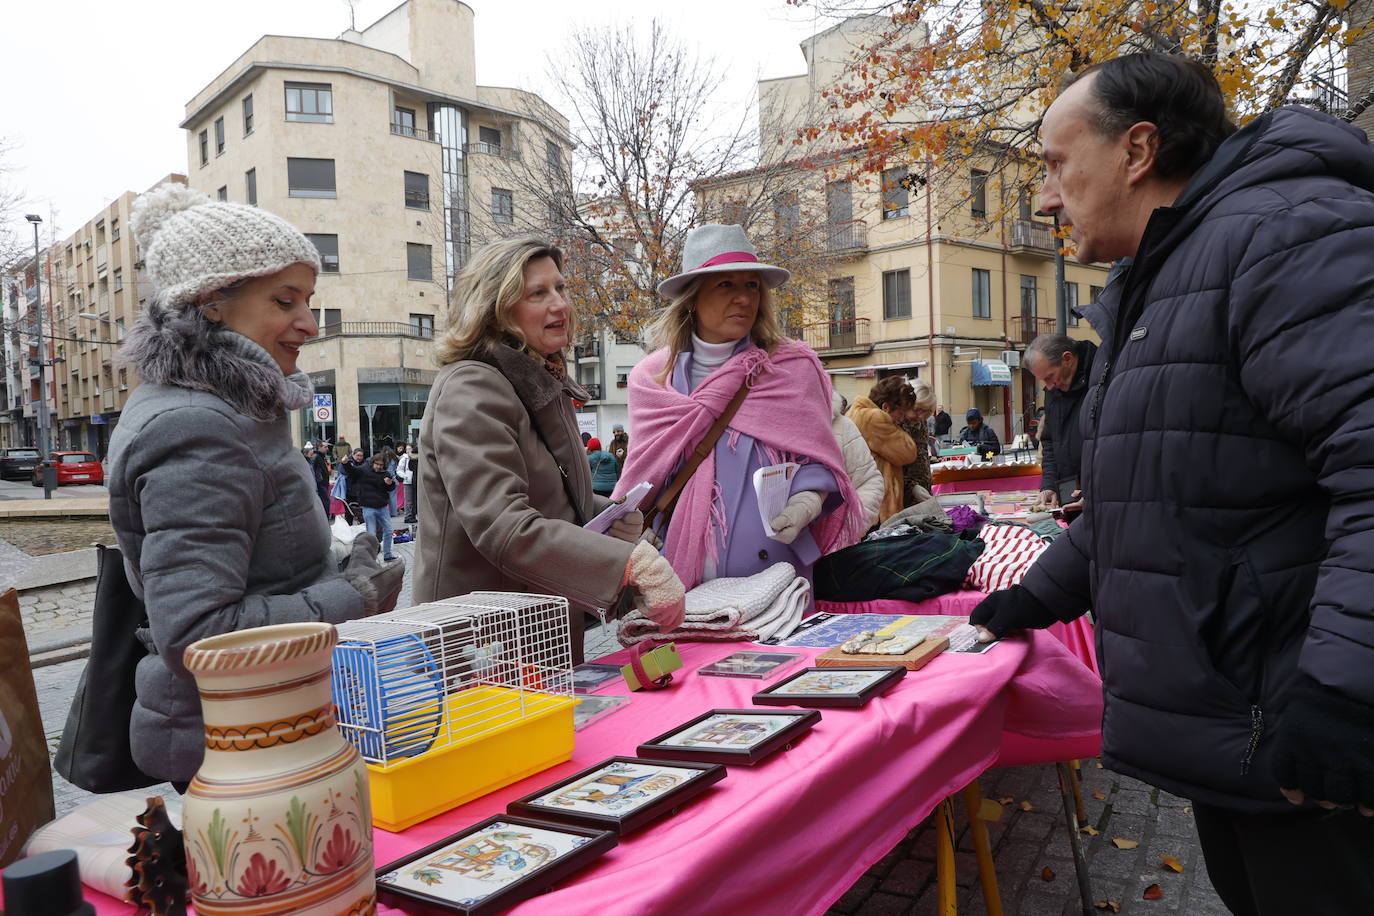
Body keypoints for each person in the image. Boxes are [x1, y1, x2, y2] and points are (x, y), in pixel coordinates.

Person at [970, 52, 1374, 913]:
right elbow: (1155, 495)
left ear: (1138, 149)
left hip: (1305, 733)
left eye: (1054, 163)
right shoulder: (1156, 283)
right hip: (1237, 728)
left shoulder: (1286, 235)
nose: (1045, 196)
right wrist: (1038, 596)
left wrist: (1347, 689)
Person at [107, 183, 403, 786]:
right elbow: (197, 636)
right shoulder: (197, 425)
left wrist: (339, 561)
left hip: (269, 727)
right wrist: (358, 596)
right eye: (286, 301)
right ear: (213, 302)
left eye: (308, 300)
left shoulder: (228, 410)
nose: (309, 324)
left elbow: (262, 562)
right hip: (241, 748)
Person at [413, 237, 684, 663]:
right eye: (538, 293)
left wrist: (606, 513)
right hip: (478, 648)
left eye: (561, 288)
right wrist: (626, 563)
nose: (560, 305)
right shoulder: (472, 387)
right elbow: (502, 524)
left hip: (535, 632)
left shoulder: (538, 378)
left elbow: (547, 495)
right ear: (495, 309)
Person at [617, 224, 867, 592]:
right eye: (726, 285)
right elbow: (644, 478)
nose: (744, 299)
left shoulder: (792, 368)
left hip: (776, 581)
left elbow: (818, 460)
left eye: (751, 285)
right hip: (680, 582)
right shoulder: (654, 380)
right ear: (692, 297)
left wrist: (806, 501)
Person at [1025, 333, 1098, 508]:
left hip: (1099, 496)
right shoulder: (1054, 392)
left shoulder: (1103, 378)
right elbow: (1049, 441)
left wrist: (1096, 491)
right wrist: (1049, 485)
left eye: (1050, 377)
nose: (1049, 386)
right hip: (1070, 493)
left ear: (1068, 359)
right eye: (1044, 380)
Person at [846, 376, 919, 524]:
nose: (902, 418)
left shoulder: (858, 413)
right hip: (877, 508)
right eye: (901, 412)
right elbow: (908, 452)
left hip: (864, 502)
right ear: (886, 406)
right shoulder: (873, 418)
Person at [830, 391, 884, 537]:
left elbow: (869, 481)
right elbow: (906, 452)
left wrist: (847, 532)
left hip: (836, 545)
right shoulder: (877, 418)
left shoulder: (840, 424)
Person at [345, 453, 397, 561]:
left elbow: (391, 488)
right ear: (372, 463)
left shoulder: (385, 473)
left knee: (388, 531)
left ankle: (387, 554)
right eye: (377, 464)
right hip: (368, 507)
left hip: (382, 506)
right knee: (372, 534)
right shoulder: (364, 470)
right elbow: (352, 471)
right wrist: (345, 463)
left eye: (381, 465)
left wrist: (389, 484)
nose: (378, 467)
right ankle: (371, 558)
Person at [896, 378, 938, 504]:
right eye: (917, 410)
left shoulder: (922, 423)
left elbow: (921, 455)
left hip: (922, 492)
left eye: (926, 412)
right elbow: (892, 466)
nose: (920, 416)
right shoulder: (894, 424)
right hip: (901, 496)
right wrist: (912, 487)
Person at [397, 442, 418, 525]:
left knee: (416, 499)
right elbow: (399, 470)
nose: (408, 451)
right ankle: (408, 516)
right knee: (408, 500)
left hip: (416, 481)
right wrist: (405, 476)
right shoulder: (404, 459)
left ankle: (414, 515)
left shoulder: (417, 458)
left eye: (410, 449)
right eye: (407, 449)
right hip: (408, 481)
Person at [310, 440, 332, 516]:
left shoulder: (321, 457)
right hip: (320, 484)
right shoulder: (315, 457)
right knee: (325, 502)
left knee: (326, 502)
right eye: (325, 447)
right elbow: (312, 471)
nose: (327, 449)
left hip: (323, 483)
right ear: (319, 447)